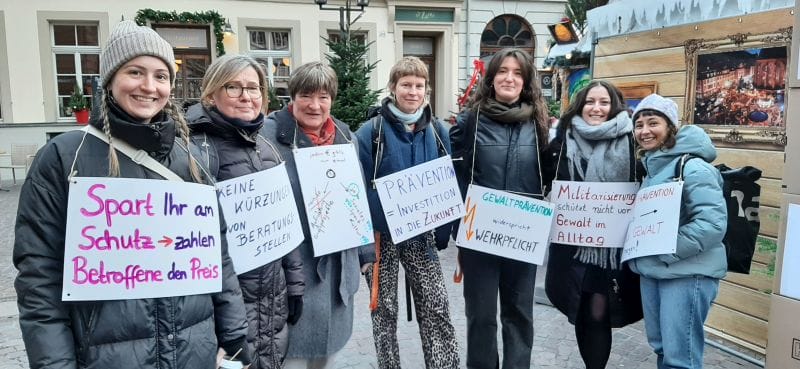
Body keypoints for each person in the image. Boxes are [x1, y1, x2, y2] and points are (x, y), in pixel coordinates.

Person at [13, 20, 250, 369]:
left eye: (161, 76)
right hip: (106, 357)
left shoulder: (191, 157)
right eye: (135, 72)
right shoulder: (66, 157)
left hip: (192, 351)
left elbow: (218, 252)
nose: (149, 86)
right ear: (110, 78)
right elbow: (39, 276)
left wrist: (233, 338)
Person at [187, 54, 304, 369]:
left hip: (272, 300)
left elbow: (284, 224)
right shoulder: (195, 150)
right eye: (233, 87)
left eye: (253, 88)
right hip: (227, 307)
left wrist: (294, 285)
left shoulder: (265, 148)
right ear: (212, 94)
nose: (245, 96)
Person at [262, 61, 374, 369]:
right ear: (293, 97)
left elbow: (358, 195)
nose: (315, 105)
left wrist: (366, 252)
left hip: (338, 269)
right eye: (307, 95)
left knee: (328, 354)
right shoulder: (268, 137)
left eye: (323, 97)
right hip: (296, 270)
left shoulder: (344, 136)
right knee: (293, 356)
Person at [354, 56, 459, 369]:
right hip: (380, 236)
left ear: (426, 89)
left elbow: (447, 184)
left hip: (421, 234)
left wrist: (442, 233)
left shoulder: (438, 130)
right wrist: (363, 248)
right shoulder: (370, 131)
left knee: (436, 306)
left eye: (418, 85)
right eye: (406, 85)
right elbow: (356, 189)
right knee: (383, 310)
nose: (412, 91)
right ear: (393, 87)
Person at [450, 48, 550, 369]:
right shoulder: (469, 121)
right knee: (481, 316)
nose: (510, 78)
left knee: (519, 314)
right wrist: (458, 227)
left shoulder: (539, 123)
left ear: (526, 81)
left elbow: (553, 173)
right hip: (480, 237)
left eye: (518, 72)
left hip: (523, 236)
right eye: (503, 71)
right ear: (491, 78)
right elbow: (450, 176)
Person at [544, 81, 643, 369]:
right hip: (571, 246)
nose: (596, 108)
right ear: (580, 105)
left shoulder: (631, 140)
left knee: (599, 310)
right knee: (581, 308)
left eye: (603, 102)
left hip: (610, 248)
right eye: (590, 102)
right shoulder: (563, 142)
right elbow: (541, 178)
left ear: (614, 106)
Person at [630, 94, 727, 369]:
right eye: (639, 125)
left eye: (653, 123)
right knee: (663, 349)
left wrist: (663, 248)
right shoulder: (652, 168)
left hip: (687, 273)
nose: (645, 131)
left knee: (680, 358)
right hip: (654, 269)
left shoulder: (693, 167)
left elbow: (712, 225)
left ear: (670, 127)